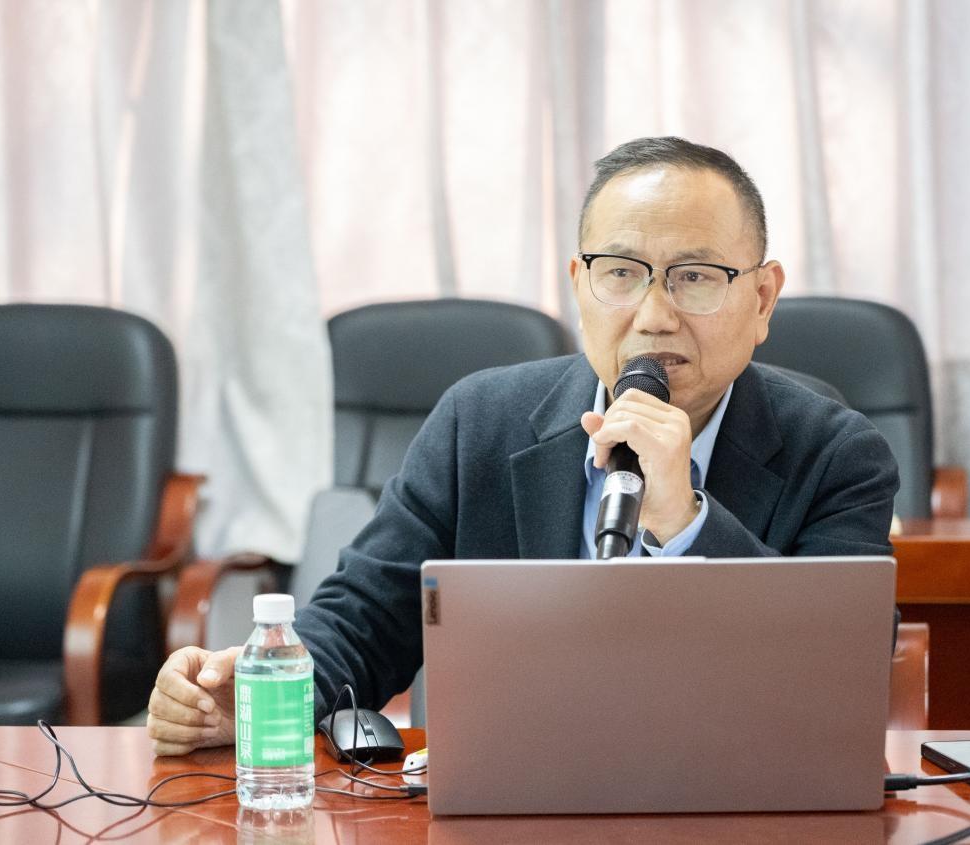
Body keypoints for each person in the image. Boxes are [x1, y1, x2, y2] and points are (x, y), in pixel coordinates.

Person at [146, 137, 899, 755]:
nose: (653, 314)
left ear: (762, 299)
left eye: (694, 277)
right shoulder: (478, 421)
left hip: (739, 801)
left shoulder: (838, 455)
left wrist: (685, 518)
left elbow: (839, 678)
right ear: (578, 284)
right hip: (510, 797)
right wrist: (256, 696)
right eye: (621, 274)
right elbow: (365, 617)